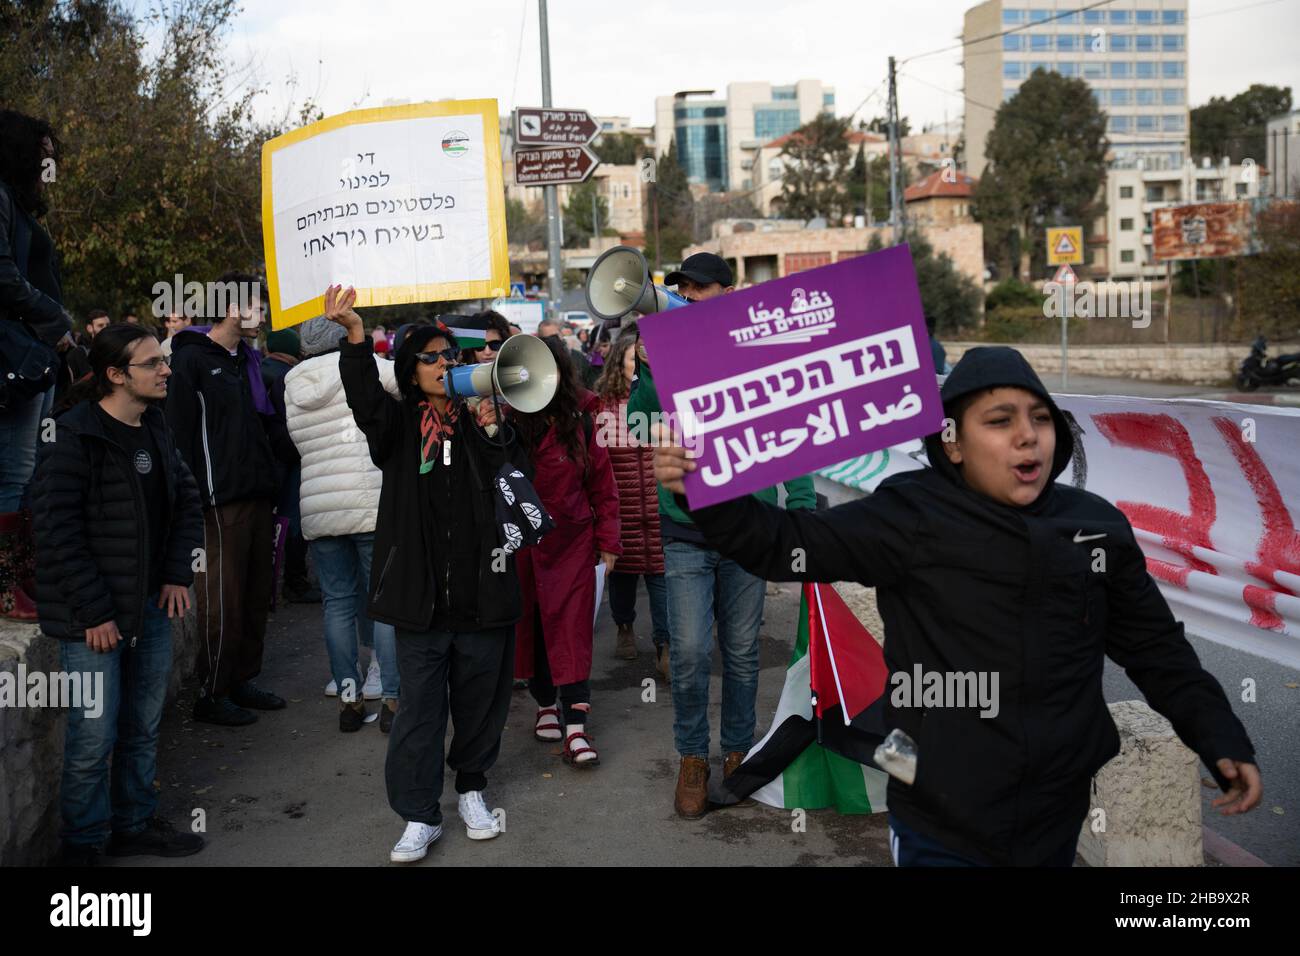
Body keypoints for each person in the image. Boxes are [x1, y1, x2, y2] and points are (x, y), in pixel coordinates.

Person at [654, 345, 1263, 866]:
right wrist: (709, 493)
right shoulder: (907, 517)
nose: (1028, 435)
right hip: (936, 818)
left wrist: (1219, 735)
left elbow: (1157, 649)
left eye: (1041, 418)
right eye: (1000, 421)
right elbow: (788, 545)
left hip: (1056, 811)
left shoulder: (1095, 529)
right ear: (952, 443)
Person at [325, 285, 526, 862]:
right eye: (433, 357)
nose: (446, 364)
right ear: (411, 372)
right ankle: (418, 814)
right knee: (419, 709)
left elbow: (516, 483)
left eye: (452, 356)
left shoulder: (484, 421)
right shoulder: (396, 428)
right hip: (420, 600)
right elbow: (364, 399)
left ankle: (471, 789)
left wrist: (493, 431)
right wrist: (358, 341)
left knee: (480, 702)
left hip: (484, 592)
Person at [626, 251, 818, 818]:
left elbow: (788, 427)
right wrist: (651, 368)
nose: (684, 298)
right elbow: (639, 427)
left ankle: (738, 753)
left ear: (725, 295)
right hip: (685, 532)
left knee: (739, 652)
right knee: (687, 653)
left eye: (695, 290)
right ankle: (693, 758)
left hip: (749, 532)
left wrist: (801, 507)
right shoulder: (663, 355)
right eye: (678, 290)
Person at [32, 323, 205, 865]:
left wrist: (178, 573)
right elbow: (55, 532)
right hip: (92, 621)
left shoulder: (155, 425)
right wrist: (95, 613)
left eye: (163, 361)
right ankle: (82, 846)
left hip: (150, 607)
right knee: (92, 740)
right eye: (151, 363)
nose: (165, 370)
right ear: (114, 375)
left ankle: (133, 824)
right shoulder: (71, 434)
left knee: (141, 726)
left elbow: (186, 501)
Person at [165, 273, 289, 726]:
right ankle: (211, 692)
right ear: (233, 306)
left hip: (257, 493)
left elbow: (263, 424)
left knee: (256, 594)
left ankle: (240, 679)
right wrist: (191, 494)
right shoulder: (191, 360)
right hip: (217, 501)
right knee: (223, 598)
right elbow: (178, 432)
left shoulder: (248, 362)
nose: (264, 315)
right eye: (257, 305)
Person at [284, 316, 400, 732]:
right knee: (386, 600)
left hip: (317, 503)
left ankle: (349, 699)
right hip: (369, 499)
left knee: (337, 602)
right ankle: (391, 698)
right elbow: (409, 383)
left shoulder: (292, 382)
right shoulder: (365, 364)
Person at [512, 336, 620, 767]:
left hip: (573, 544)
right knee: (534, 626)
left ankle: (576, 726)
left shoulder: (585, 421)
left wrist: (609, 543)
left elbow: (603, 487)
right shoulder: (504, 421)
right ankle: (544, 704)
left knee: (572, 630)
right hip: (521, 546)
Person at [0, 110, 73, 622]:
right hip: (18, 353)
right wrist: (55, 316)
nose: (49, 159)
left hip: (37, 354)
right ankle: (7, 588)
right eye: (42, 150)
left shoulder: (18, 204)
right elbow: (3, 275)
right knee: (13, 471)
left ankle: (22, 577)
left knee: (28, 472)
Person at [593, 326, 668, 671]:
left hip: (659, 507)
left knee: (662, 578)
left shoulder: (663, 399)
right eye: (634, 358)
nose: (642, 363)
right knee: (622, 577)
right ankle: (624, 628)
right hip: (620, 509)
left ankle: (664, 645)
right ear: (618, 364)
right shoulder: (602, 409)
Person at [262, 326, 320, 604]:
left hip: (263, 459)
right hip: (289, 457)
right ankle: (295, 583)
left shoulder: (255, 370)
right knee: (293, 521)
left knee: (266, 522)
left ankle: (267, 583)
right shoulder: (289, 377)